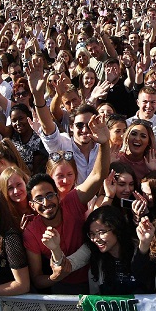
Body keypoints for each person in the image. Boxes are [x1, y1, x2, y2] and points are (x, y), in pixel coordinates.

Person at [23, 113, 110, 294]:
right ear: (32, 205)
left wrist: (103, 143)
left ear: (57, 195)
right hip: (60, 289)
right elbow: (37, 280)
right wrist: (57, 275)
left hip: (92, 279)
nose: (46, 202)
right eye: (39, 199)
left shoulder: (72, 202)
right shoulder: (32, 232)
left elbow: (97, 175)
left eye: (50, 195)